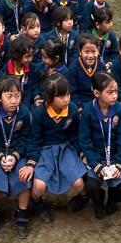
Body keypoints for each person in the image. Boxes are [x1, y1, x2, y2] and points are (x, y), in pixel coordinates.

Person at [77, 72, 121, 219]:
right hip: (96, 157)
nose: (115, 96)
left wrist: (120, 164)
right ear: (96, 93)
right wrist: (96, 164)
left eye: (116, 91)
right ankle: (98, 201)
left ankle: (113, 200)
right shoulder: (88, 112)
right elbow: (85, 141)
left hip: (115, 156)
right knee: (91, 186)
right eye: (110, 92)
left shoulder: (118, 110)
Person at [31, 74, 88, 222]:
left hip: (65, 148)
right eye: (61, 96)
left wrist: (81, 153)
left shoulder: (72, 110)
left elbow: (75, 135)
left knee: (79, 183)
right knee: (39, 186)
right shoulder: (38, 113)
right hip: (45, 150)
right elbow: (35, 141)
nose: (66, 99)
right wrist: (31, 162)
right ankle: (37, 203)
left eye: (68, 94)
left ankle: (84, 198)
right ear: (49, 98)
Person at [0, 76, 35, 238]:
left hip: (16, 154)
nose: (14, 101)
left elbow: (26, 139)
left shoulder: (24, 113)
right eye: (9, 96)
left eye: (17, 96)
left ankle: (21, 215)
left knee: (24, 178)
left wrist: (15, 156)